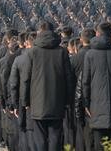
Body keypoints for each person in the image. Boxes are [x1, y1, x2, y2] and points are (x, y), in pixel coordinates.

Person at [21, 21, 74, 151]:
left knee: (39, 137)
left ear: (39, 32)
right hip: (57, 100)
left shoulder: (32, 52)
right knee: (56, 135)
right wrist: (68, 100)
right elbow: (69, 78)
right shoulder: (62, 52)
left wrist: (25, 100)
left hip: (37, 101)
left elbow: (26, 79)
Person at [80, 23, 111, 150]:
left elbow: (85, 82)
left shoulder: (90, 55)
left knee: (99, 144)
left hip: (96, 106)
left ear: (97, 33)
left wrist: (86, 104)